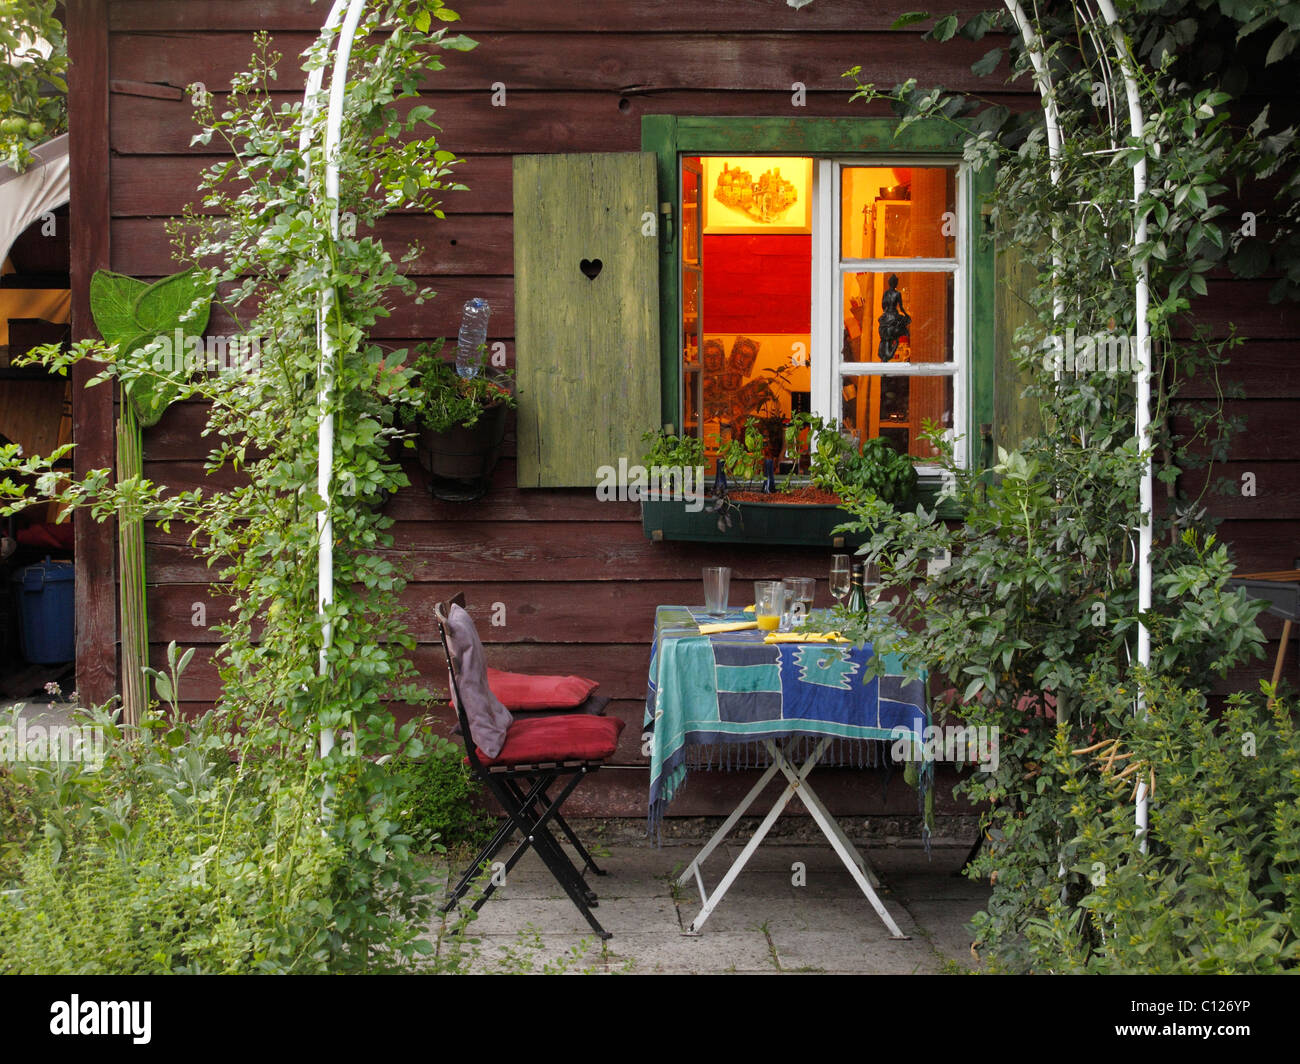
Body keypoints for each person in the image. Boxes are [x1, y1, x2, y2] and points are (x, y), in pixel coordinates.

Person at [877, 274, 911, 362]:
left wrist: (887, 312)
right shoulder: (897, 293)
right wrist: (906, 315)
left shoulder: (886, 293)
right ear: (895, 283)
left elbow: (883, 305)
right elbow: (901, 307)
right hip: (894, 314)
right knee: (906, 327)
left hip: (887, 315)